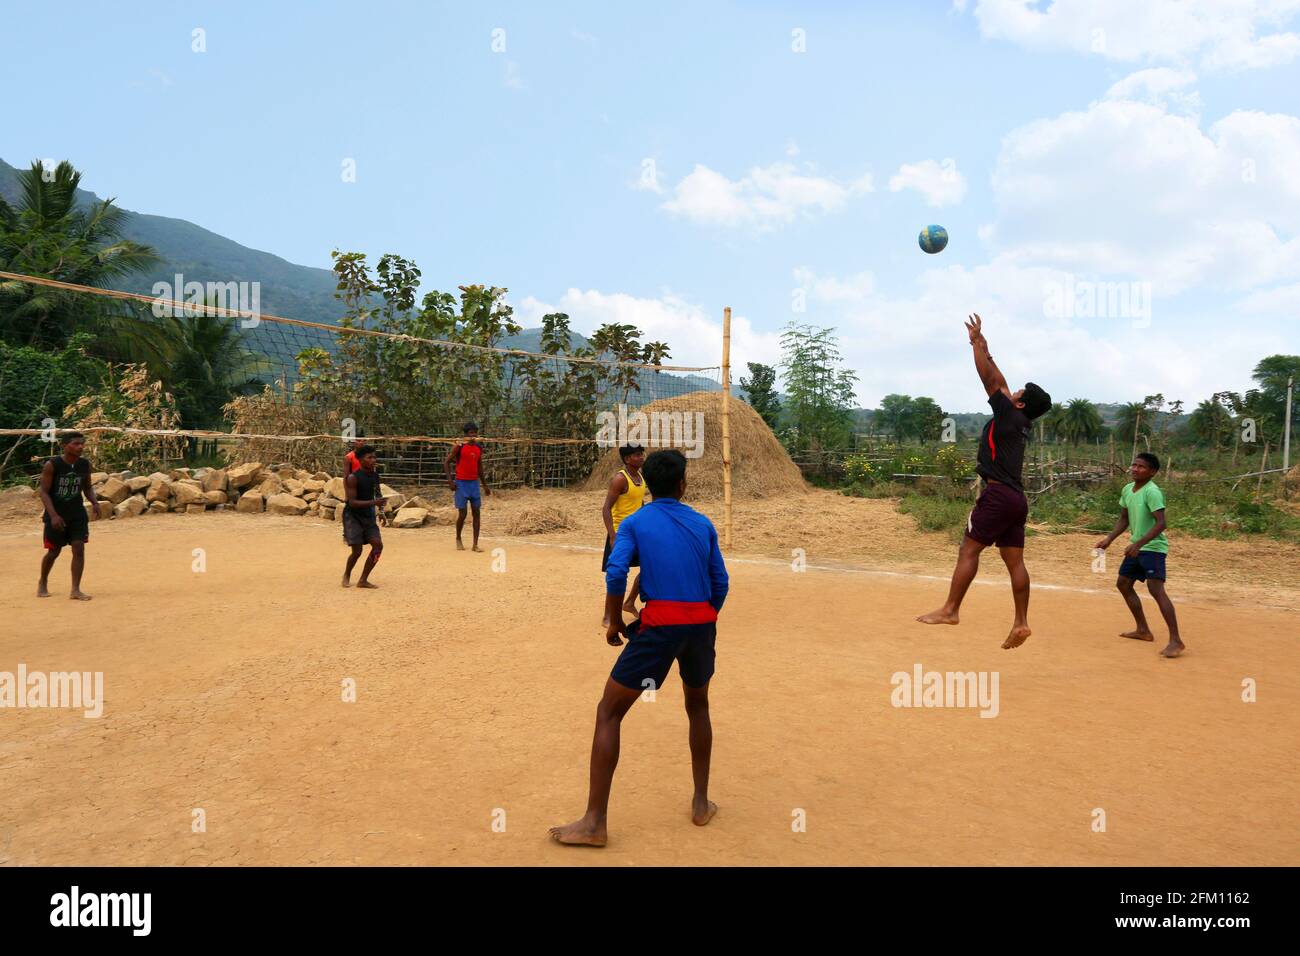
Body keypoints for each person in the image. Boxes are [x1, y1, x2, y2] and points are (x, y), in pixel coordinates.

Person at [550, 449, 729, 848]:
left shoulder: (635, 522)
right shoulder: (703, 524)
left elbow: (617, 571)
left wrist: (615, 620)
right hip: (701, 626)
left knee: (609, 712)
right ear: (683, 485)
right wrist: (703, 618)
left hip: (660, 626)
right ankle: (701, 803)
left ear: (646, 483)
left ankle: (595, 823)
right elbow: (721, 583)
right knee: (697, 705)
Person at [916, 314, 1052, 649]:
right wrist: (982, 344)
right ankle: (1021, 622)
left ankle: (950, 609)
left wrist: (975, 349)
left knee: (969, 549)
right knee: (1015, 562)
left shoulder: (1008, 414)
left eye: (1018, 391)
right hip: (1017, 500)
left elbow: (990, 382)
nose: (1012, 389)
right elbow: (1000, 381)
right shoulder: (1020, 420)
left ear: (1019, 402)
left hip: (998, 496)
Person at [1095, 452, 1185, 658]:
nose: (1135, 469)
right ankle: (1143, 630)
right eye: (1134, 465)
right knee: (1123, 584)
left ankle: (1176, 640)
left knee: (1156, 590)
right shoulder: (1128, 489)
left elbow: (1161, 523)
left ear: (1152, 472)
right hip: (1137, 547)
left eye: (1141, 466)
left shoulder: (1153, 492)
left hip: (1153, 549)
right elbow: (1124, 519)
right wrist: (1109, 539)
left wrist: (1139, 543)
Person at [37, 431, 99, 600]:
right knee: (53, 552)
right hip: (56, 514)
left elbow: (87, 487)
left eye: (82, 443)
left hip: (77, 513)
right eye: (76, 444)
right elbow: (43, 492)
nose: (80, 447)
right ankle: (42, 581)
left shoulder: (84, 465)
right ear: (65, 446)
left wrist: (94, 502)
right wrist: (54, 515)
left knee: (78, 548)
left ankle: (75, 589)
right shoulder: (52, 465)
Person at [601, 443, 647, 625]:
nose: (641, 457)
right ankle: (608, 616)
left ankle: (628, 603)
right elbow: (606, 509)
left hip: (638, 533)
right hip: (621, 534)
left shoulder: (640, 478)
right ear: (627, 459)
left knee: (650, 567)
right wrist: (612, 535)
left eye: (642, 454)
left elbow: (638, 504)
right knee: (617, 574)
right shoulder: (620, 479)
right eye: (637, 455)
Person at [342, 444, 385, 589]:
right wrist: (374, 502)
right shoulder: (353, 478)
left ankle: (363, 580)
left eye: (374, 457)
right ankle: (347, 574)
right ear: (360, 460)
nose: (373, 460)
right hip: (353, 516)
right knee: (357, 551)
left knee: (378, 546)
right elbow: (352, 502)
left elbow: (378, 494)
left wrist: (382, 511)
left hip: (368, 516)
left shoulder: (375, 476)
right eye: (369, 457)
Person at [446, 421, 490, 552]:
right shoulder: (459, 447)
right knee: (463, 514)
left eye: (475, 432)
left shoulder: (478, 448)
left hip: (474, 484)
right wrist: (450, 482)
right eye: (471, 433)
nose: (473, 435)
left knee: (477, 513)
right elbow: (446, 463)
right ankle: (458, 538)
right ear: (465, 434)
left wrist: (485, 485)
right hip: (461, 484)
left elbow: (480, 468)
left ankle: (475, 544)